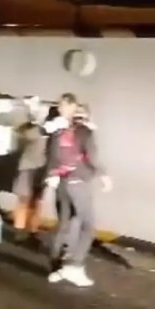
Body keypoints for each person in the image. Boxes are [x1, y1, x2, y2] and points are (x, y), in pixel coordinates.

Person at [44, 93, 112, 287]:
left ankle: (56, 268)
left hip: (61, 183)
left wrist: (52, 175)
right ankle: (74, 266)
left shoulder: (56, 131)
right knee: (87, 225)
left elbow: (51, 155)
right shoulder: (85, 132)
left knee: (66, 222)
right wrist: (104, 176)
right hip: (79, 181)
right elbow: (92, 157)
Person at [11, 97, 50, 245]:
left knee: (36, 201)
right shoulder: (30, 128)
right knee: (24, 199)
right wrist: (33, 119)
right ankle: (20, 231)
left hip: (42, 168)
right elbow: (23, 133)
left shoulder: (49, 129)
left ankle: (32, 231)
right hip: (29, 166)